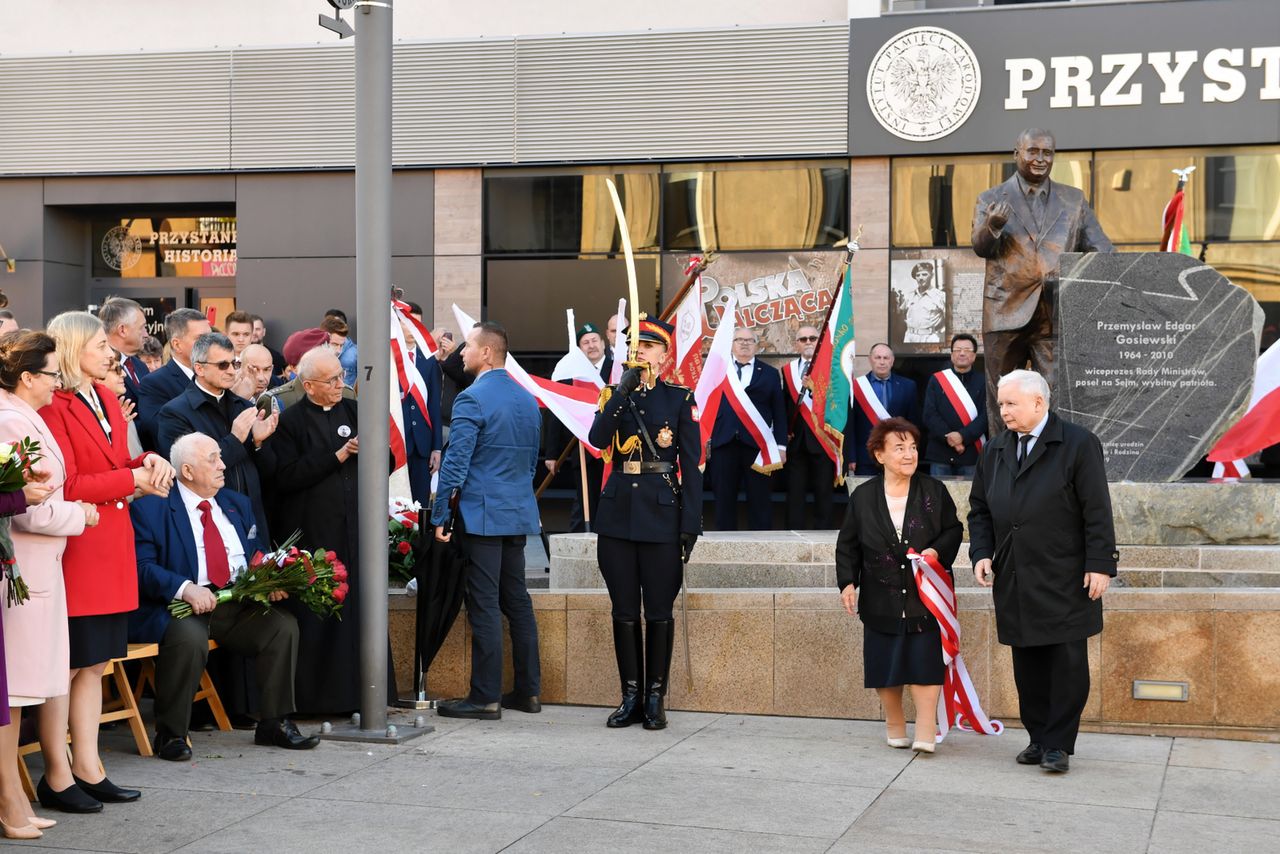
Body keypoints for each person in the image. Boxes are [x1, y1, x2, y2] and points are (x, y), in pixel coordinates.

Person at [39, 311, 175, 814]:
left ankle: (89, 766)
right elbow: (68, 485)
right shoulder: (55, 404)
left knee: (94, 665)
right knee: (70, 666)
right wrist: (130, 481)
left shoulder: (108, 400)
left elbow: (117, 465)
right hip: (80, 550)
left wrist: (147, 462)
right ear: (73, 350)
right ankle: (57, 774)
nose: (110, 352)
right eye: (100, 344)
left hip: (110, 545)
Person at [129, 432, 319, 760]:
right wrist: (185, 588)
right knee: (188, 639)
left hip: (235, 602)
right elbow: (141, 567)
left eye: (220, 457)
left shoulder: (235, 503)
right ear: (187, 471)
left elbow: (255, 552)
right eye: (213, 459)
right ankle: (171, 734)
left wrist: (268, 578)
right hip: (180, 606)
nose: (223, 465)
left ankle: (274, 722)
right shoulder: (152, 508)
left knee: (282, 626)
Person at [968, 370, 1117, 774]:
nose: (1003, 412)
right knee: (1027, 662)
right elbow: (979, 508)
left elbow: (1097, 511)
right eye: (1000, 404)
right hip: (1015, 573)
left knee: (1066, 663)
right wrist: (981, 552)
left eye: (1010, 404)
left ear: (1039, 402)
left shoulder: (1078, 444)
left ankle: (1058, 744)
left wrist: (1100, 564)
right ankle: (1037, 737)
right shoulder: (995, 448)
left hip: (1065, 575)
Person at [588, 316, 701, 730]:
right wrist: (621, 392)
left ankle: (655, 696)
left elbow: (692, 464)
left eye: (649, 346)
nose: (640, 352)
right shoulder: (614, 395)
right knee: (622, 611)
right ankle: (630, 694)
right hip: (617, 513)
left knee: (657, 611)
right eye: (634, 346)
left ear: (665, 355)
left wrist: (691, 522)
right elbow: (599, 440)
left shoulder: (678, 398)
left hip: (661, 513)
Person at [0, 331, 88, 840]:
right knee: (11, 691)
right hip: (24, 568)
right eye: (52, 373)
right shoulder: (11, 420)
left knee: (19, 689)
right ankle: (9, 796)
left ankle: (12, 793)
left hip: (39, 567)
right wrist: (81, 514)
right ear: (27, 376)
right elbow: (24, 504)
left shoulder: (24, 415)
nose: (58, 381)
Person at [431, 321, 542, 721]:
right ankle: (528, 692)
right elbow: (530, 461)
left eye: (468, 347)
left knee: (484, 603)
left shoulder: (471, 399)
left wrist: (441, 513)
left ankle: (485, 697)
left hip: (481, 516)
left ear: (488, 353)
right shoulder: (527, 399)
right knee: (517, 601)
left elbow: (456, 463)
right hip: (516, 512)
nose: (461, 353)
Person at [972, 128, 1113, 431]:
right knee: (1003, 397)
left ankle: (1053, 462)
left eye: (1046, 153)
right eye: (1032, 151)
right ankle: (1003, 462)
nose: (1040, 159)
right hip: (1005, 312)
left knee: (1055, 396)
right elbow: (981, 247)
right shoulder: (991, 198)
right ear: (1017, 154)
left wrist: (1076, 281)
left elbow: (1101, 250)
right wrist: (992, 226)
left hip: (1054, 312)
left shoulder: (1073, 199)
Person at [837, 417, 961, 753]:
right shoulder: (863, 497)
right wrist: (847, 583)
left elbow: (953, 529)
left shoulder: (934, 490)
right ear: (879, 455)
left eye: (913, 447)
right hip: (880, 596)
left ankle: (925, 728)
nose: (909, 454)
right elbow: (847, 543)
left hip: (926, 596)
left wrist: (936, 551)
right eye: (899, 448)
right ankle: (894, 723)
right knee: (886, 664)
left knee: (925, 662)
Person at [267, 347, 374, 713]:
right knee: (320, 616)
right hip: (315, 533)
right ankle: (316, 700)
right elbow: (286, 476)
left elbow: (386, 459)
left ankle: (363, 694)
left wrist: (373, 452)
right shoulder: (292, 423)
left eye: (341, 377)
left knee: (358, 613)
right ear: (308, 385)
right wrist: (337, 456)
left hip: (354, 529)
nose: (339, 384)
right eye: (332, 380)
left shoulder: (355, 411)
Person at [156, 332, 278, 550]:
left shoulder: (245, 406)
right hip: (210, 518)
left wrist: (260, 443)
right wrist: (235, 438)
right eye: (223, 365)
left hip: (252, 514)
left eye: (235, 363)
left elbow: (268, 473)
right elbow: (190, 473)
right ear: (200, 368)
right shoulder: (174, 413)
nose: (232, 370)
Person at [708, 328, 786, 530]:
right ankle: (724, 546)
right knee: (723, 499)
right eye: (739, 340)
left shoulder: (769, 373)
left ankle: (761, 544)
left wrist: (781, 446)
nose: (744, 343)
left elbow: (779, 411)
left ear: (757, 345)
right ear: (732, 344)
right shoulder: (719, 370)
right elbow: (706, 404)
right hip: (723, 443)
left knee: (760, 499)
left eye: (750, 340)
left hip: (757, 446)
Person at [543, 322, 612, 532]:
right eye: (585, 343)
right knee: (586, 502)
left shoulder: (617, 368)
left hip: (614, 449)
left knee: (610, 500)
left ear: (602, 342)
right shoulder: (573, 373)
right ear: (580, 349)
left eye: (594, 341)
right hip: (584, 451)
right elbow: (557, 413)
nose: (591, 346)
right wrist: (552, 454)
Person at [783, 324, 838, 529]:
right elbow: (783, 405)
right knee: (795, 492)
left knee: (823, 491)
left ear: (820, 342)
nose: (808, 342)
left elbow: (835, 405)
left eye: (812, 338)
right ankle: (792, 531)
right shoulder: (787, 370)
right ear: (796, 344)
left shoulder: (831, 371)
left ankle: (823, 533)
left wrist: (815, 389)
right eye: (803, 339)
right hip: (796, 441)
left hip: (822, 441)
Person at [137, 308, 211, 447]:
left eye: (210, 337)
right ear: (177, 344)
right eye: (201, 339)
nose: (211, 344)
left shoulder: (218, 374)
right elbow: (161, 430)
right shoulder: (154, 383)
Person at [846, 343, 919, 476]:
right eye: (877, 357)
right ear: (870, 359)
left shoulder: (908, 386)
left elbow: (913, 423)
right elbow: (851, 425)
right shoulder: (856, 387)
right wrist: (851, 456)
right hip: (865, 457)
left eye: (886, 358)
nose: (882, 362)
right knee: (867, 496)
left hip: (899, 455)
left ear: (892, 361)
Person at [921, 334, 987, 478]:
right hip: (940, 452)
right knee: (937, 498)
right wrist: (952, 440)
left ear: (974, 356)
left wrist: (963, 436)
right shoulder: (937, 379)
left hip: (971, 452)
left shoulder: (984, 382)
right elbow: (929, 414)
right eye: (958, 350)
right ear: (952, 355)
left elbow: (986, 416)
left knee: (971, 498)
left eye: (967, 350)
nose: (962, 353)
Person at [398, 314, 443, 509]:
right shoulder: (390, 358)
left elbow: (434, 404)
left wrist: (437, 447)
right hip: (397, 440)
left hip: (422, 444)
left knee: (420, 503)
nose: (413, 329)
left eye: (417, 324)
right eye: (407, 324)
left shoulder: (428, 360)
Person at [97, 297, 149, 406]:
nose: (146, 335)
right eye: (142, 328)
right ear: (122, 330)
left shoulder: (141, 366)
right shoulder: (98, 368)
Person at [899, 262, 946, 344]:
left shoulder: (941, 296)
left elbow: (949, 319)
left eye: (924, 274)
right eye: (918, 275)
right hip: (910, 337)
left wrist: (941, 333)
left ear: (932, 275)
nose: (920, 278)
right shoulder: (909, 295)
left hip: (930, 337)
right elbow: (901, 314)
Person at [323, 309, 358, 388]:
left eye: (339, 325)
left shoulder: (355, 353)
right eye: (332, 324)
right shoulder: (316, 352)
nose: (339, 350)